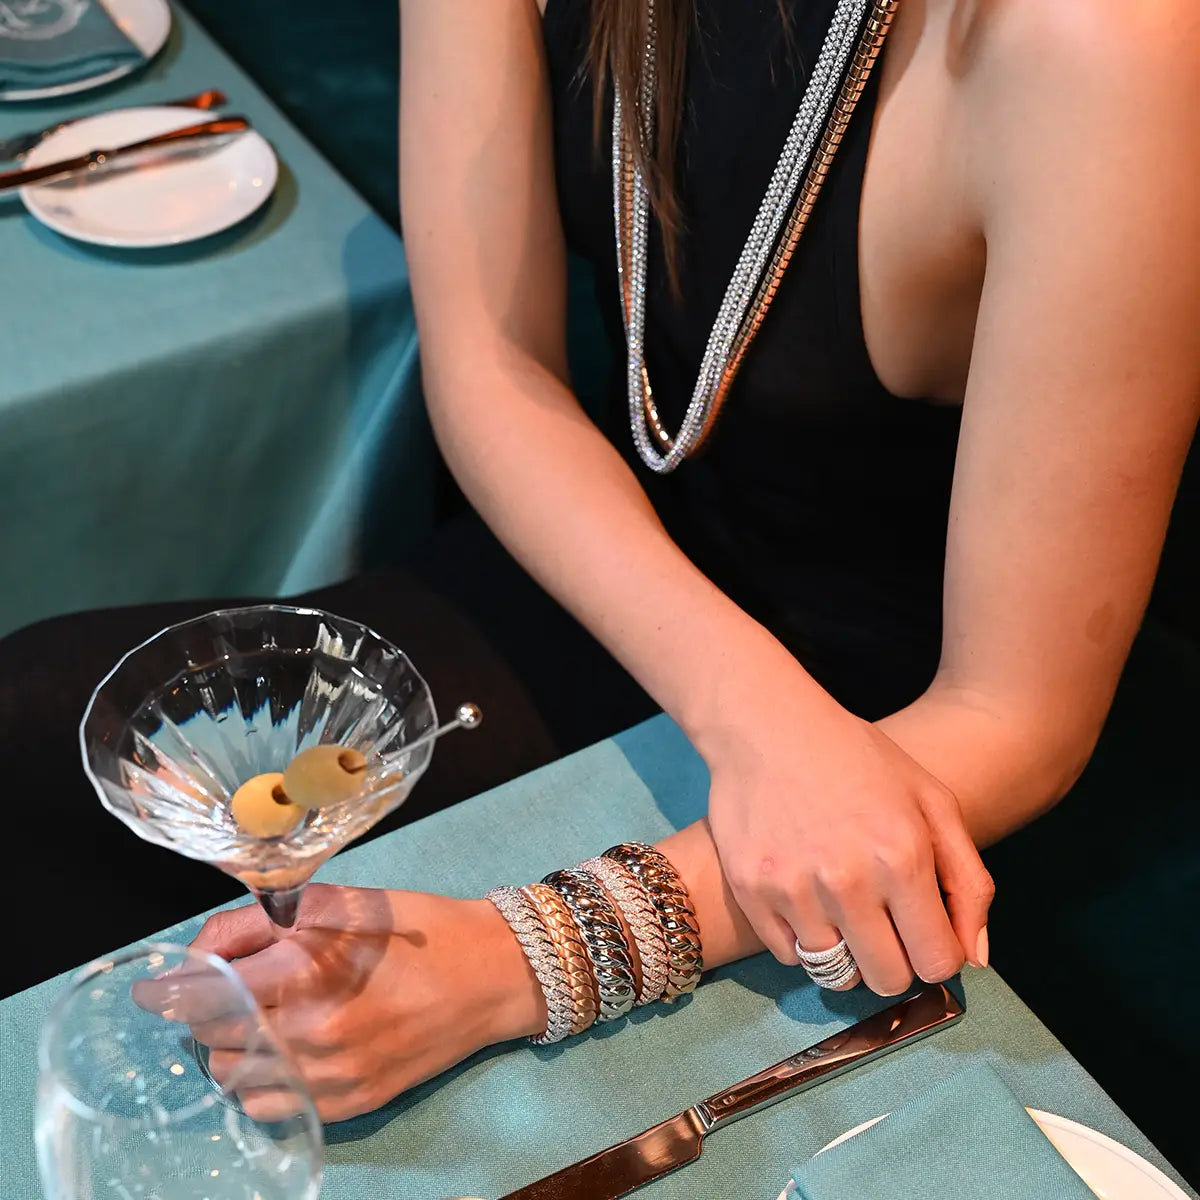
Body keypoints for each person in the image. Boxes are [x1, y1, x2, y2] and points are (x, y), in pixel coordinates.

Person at [4, 0, 1198, 1123]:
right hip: (611, 580)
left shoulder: (1102, 45)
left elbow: (1018, 712)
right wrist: (750, 708)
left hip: (901, 751)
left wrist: (522, 956)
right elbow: (490, 366)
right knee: (37, 737)